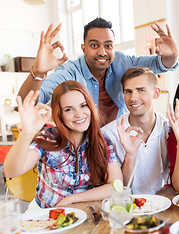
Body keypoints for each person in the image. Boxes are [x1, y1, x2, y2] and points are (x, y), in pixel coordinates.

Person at [18, 17, 178, 126]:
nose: (102, 52)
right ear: (84, 48)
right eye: (94, 45)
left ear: (114, 47)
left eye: (108, 45)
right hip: (82, 144)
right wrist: (37, 73)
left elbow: (161, 64)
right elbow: (28, 102)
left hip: (117, 141)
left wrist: (172, 55)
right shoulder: (70, 71)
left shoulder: (122, 62)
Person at [4, 81, 122, 209]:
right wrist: (27, 133)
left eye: (83, 105)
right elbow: (11, 171)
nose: (79, 114)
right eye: (68, 109)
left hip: (84, 213)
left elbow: (116, 187)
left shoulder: (102, 141)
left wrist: (70, 199)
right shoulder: (48, 138)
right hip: (46, 214)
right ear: (59, 114)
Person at [101, 66, 169, 194]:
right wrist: (130, 155)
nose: (133, 98)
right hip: (124, 206)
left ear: (156, 93)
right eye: (128, 91)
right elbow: (119, 189)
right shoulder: (108, 134)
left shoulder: (169, 129)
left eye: (141, 90)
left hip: (161, 204)